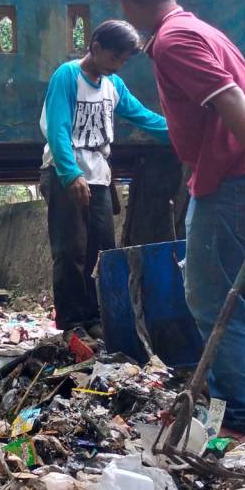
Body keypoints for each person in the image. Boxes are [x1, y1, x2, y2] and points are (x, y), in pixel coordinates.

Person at [117, 0, 245, 435]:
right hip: (220, 174)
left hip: (232, 174)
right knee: (209, 294)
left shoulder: (176, 40)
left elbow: (231, 97)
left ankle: (234, 417)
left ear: (127, 6)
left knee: (213, 299)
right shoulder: (195, 28)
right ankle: (226, 404)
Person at [39, 20, 169, 336]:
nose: (118, 65)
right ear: (96, 48)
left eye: (123, 60)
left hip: (98, 176)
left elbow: (143, 117)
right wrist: (71, 174)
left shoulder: (113, 86)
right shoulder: (68, 76)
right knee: (71, 252)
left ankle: (96, 318)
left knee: (102, 250)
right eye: (115, 58)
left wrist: (179, 132)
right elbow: (57, 129)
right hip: (63, 173)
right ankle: (72, 323)